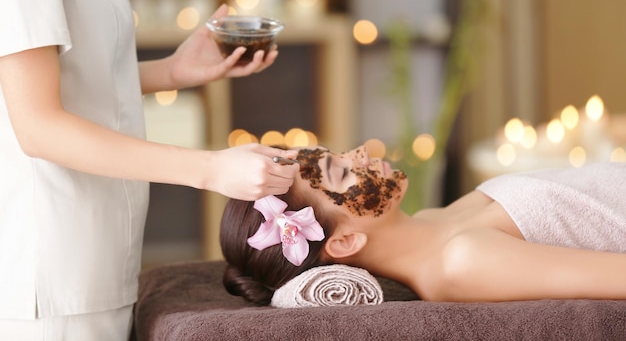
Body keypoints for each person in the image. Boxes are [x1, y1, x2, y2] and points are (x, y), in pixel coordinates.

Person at [0, 0, 299, 339]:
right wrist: (210, 169)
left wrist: (173, 71)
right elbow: (38, 127)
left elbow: (69, 80)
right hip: (52, 266)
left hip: (95, 251)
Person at [220, 145, 626, 306]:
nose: (359, 152)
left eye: (340, 153)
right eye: (342, 171)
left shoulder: (433, 225)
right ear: (345, 242)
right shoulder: (462, 263)